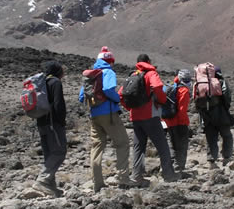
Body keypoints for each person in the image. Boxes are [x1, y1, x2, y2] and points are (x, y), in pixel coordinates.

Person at [79, 47, 130, 193]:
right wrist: (117, 99)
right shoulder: (108, 72)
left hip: (94, 115)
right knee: (122, 143)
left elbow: (81, 97)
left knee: (97, 146)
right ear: (110, 61)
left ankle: (97, 182)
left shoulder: (90, 76)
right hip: (109, 114)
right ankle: (123, 178)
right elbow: (108, 90)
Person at [122, 54, 179, 185]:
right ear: (148, 62)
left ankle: (137, 176)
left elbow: (121, 94)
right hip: (150, 116)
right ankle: (169, 174)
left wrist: (130, 109)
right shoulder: (151, 73)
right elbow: (158, 87)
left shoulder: (132, 76)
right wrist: (162, 100)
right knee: (162, 146)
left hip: (135, 117)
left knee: (138, 147)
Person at [33, 61, 68, 196]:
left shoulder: (41, 84)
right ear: (58, 71)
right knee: (59, 151)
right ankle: (42, 180)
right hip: (53, 124)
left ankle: (50, 186)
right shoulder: (55, 83)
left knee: (49, 153)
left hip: (41, 122)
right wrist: (62, 121)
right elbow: (59, 104)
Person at [200, 66, 234, 166]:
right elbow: (227, 97)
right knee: (227, 135)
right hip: (221, 113)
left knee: (211, 138)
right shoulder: (221, 82)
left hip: (206, 115)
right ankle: (227, 158)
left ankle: (211, 161)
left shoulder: (202, 84)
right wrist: (225, 108)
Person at [164, 69, 192, 173]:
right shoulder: (183, 90)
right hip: (179, 122)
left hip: (168, 121)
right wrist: (184, 123)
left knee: (172, 144)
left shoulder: (170, 87)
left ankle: (170, 166)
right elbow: (182, 110)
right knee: (182, 145)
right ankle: (179, 167)